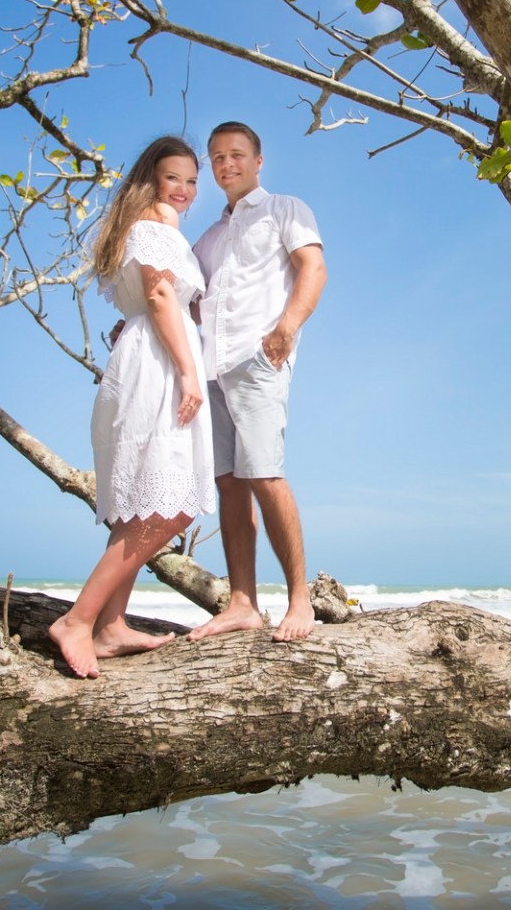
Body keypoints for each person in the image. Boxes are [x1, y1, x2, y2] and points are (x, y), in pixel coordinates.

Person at [49, 136, 215, 678]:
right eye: (175, 178)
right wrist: (189, 372)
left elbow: (148, 301)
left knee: (149, 496)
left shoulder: (145, 226)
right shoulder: (154, 223)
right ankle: (77, 620)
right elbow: (162, 296)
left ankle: (110, 626)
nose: (186, 190)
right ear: (152, 179)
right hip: (160, 368)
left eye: (193, 181)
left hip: (146, 356)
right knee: (167, 502)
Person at [187, 121, 326, 643]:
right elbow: (188, 303)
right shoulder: (208, 239)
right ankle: (242, 602)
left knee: (265, 474)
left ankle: (300, 600)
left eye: (237, 154)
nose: (227, 164)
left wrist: (286, 328)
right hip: (212, 368)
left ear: (258, 159)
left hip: (259, 357)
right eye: (218, 157)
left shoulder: (285, 208)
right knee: (229, 483)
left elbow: (313, 268)